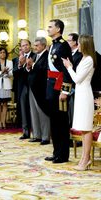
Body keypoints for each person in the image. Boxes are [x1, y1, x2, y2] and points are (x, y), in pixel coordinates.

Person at [62, 34, 96, 170]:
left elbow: (77, 79)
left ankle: (86, 159)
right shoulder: (84, 58)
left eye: (81, 43)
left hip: (85, 94)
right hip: (80, 94)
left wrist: (69, 67)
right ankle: (83, 158)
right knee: (83, 129)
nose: (79, 45)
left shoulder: (89, 60)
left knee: (86, 129)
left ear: (85, 44)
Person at [45, 19, 73, 163]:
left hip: (60, 87)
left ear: (58, 29)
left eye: (50, 27)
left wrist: (65, 91)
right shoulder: (53, 45)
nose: (48, 29)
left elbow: (67, 70)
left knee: (61, 122)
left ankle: (63, 155)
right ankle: (56, 152)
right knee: (54, 121)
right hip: (51, 85)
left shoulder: (63, 46)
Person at [26, 37, 50, 145]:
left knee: (42, 112)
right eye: (34, 45)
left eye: (37, 45)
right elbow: (31, 70)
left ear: (44, 46)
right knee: (34, 112)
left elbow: (45, 70)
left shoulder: (47, 56)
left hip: (41, 88)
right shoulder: (35, 56)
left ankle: (45, 137)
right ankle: (37, 135)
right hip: (32, 87)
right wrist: (28, 66)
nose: (34, 47)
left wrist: (33, 65)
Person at [13, 39, 35, 139]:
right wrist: (20, 65)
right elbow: (15, 74)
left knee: (34, 109)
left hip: (34, 86)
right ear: (20, 47)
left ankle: (36, 132)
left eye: (27, 45)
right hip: (22, 87)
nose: (25, 47)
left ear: (30, 46)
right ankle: (25, 132)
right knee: (23, 110)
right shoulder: (17, 59)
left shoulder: (35, 56)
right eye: (23, 45)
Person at [0, 47, 13, 129]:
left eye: (4, 52)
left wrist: (7, 72)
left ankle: (4, 122)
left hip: (6, 85)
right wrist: (2, 71)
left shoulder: (10, 62)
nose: (2, 54)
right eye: (0, 52)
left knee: (5, 104)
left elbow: (11, 74)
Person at [67, 33, 83, 127]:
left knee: (74, 112)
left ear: (75, 42)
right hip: (67, 86)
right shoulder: (68, 54)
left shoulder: (80, 55)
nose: (67, 42)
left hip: (75, 86)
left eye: (69, 40)